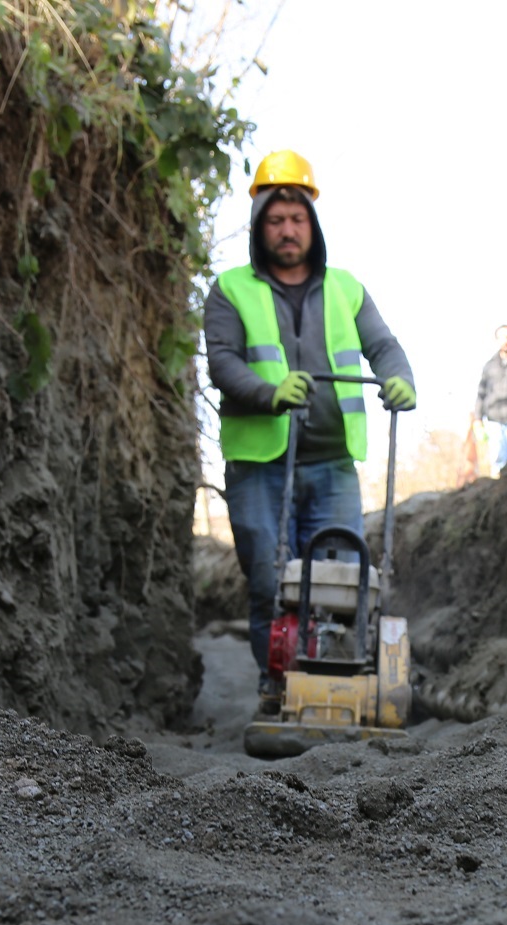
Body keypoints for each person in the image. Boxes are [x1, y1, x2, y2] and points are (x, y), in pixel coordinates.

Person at [203, 149, 417, 707]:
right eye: (276, 219)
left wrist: (398, 379)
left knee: (343, 579)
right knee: (270, 584)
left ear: (312, 224)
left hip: (331, 462)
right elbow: (222, 362)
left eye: (297, 218)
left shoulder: (346, 288)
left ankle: (338, 685)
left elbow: (384, 346)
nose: (288, 229)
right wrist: (269, 393)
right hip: (259, 465)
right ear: (259, 226)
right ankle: (276, 685)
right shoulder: (231, 289)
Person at [471, 324, 507, 474]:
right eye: (502, 337)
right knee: (497, 460)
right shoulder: (489, 366)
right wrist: (477, 419)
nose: (506, 340)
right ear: (497, 340)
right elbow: (481, 393)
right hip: (494, 419)